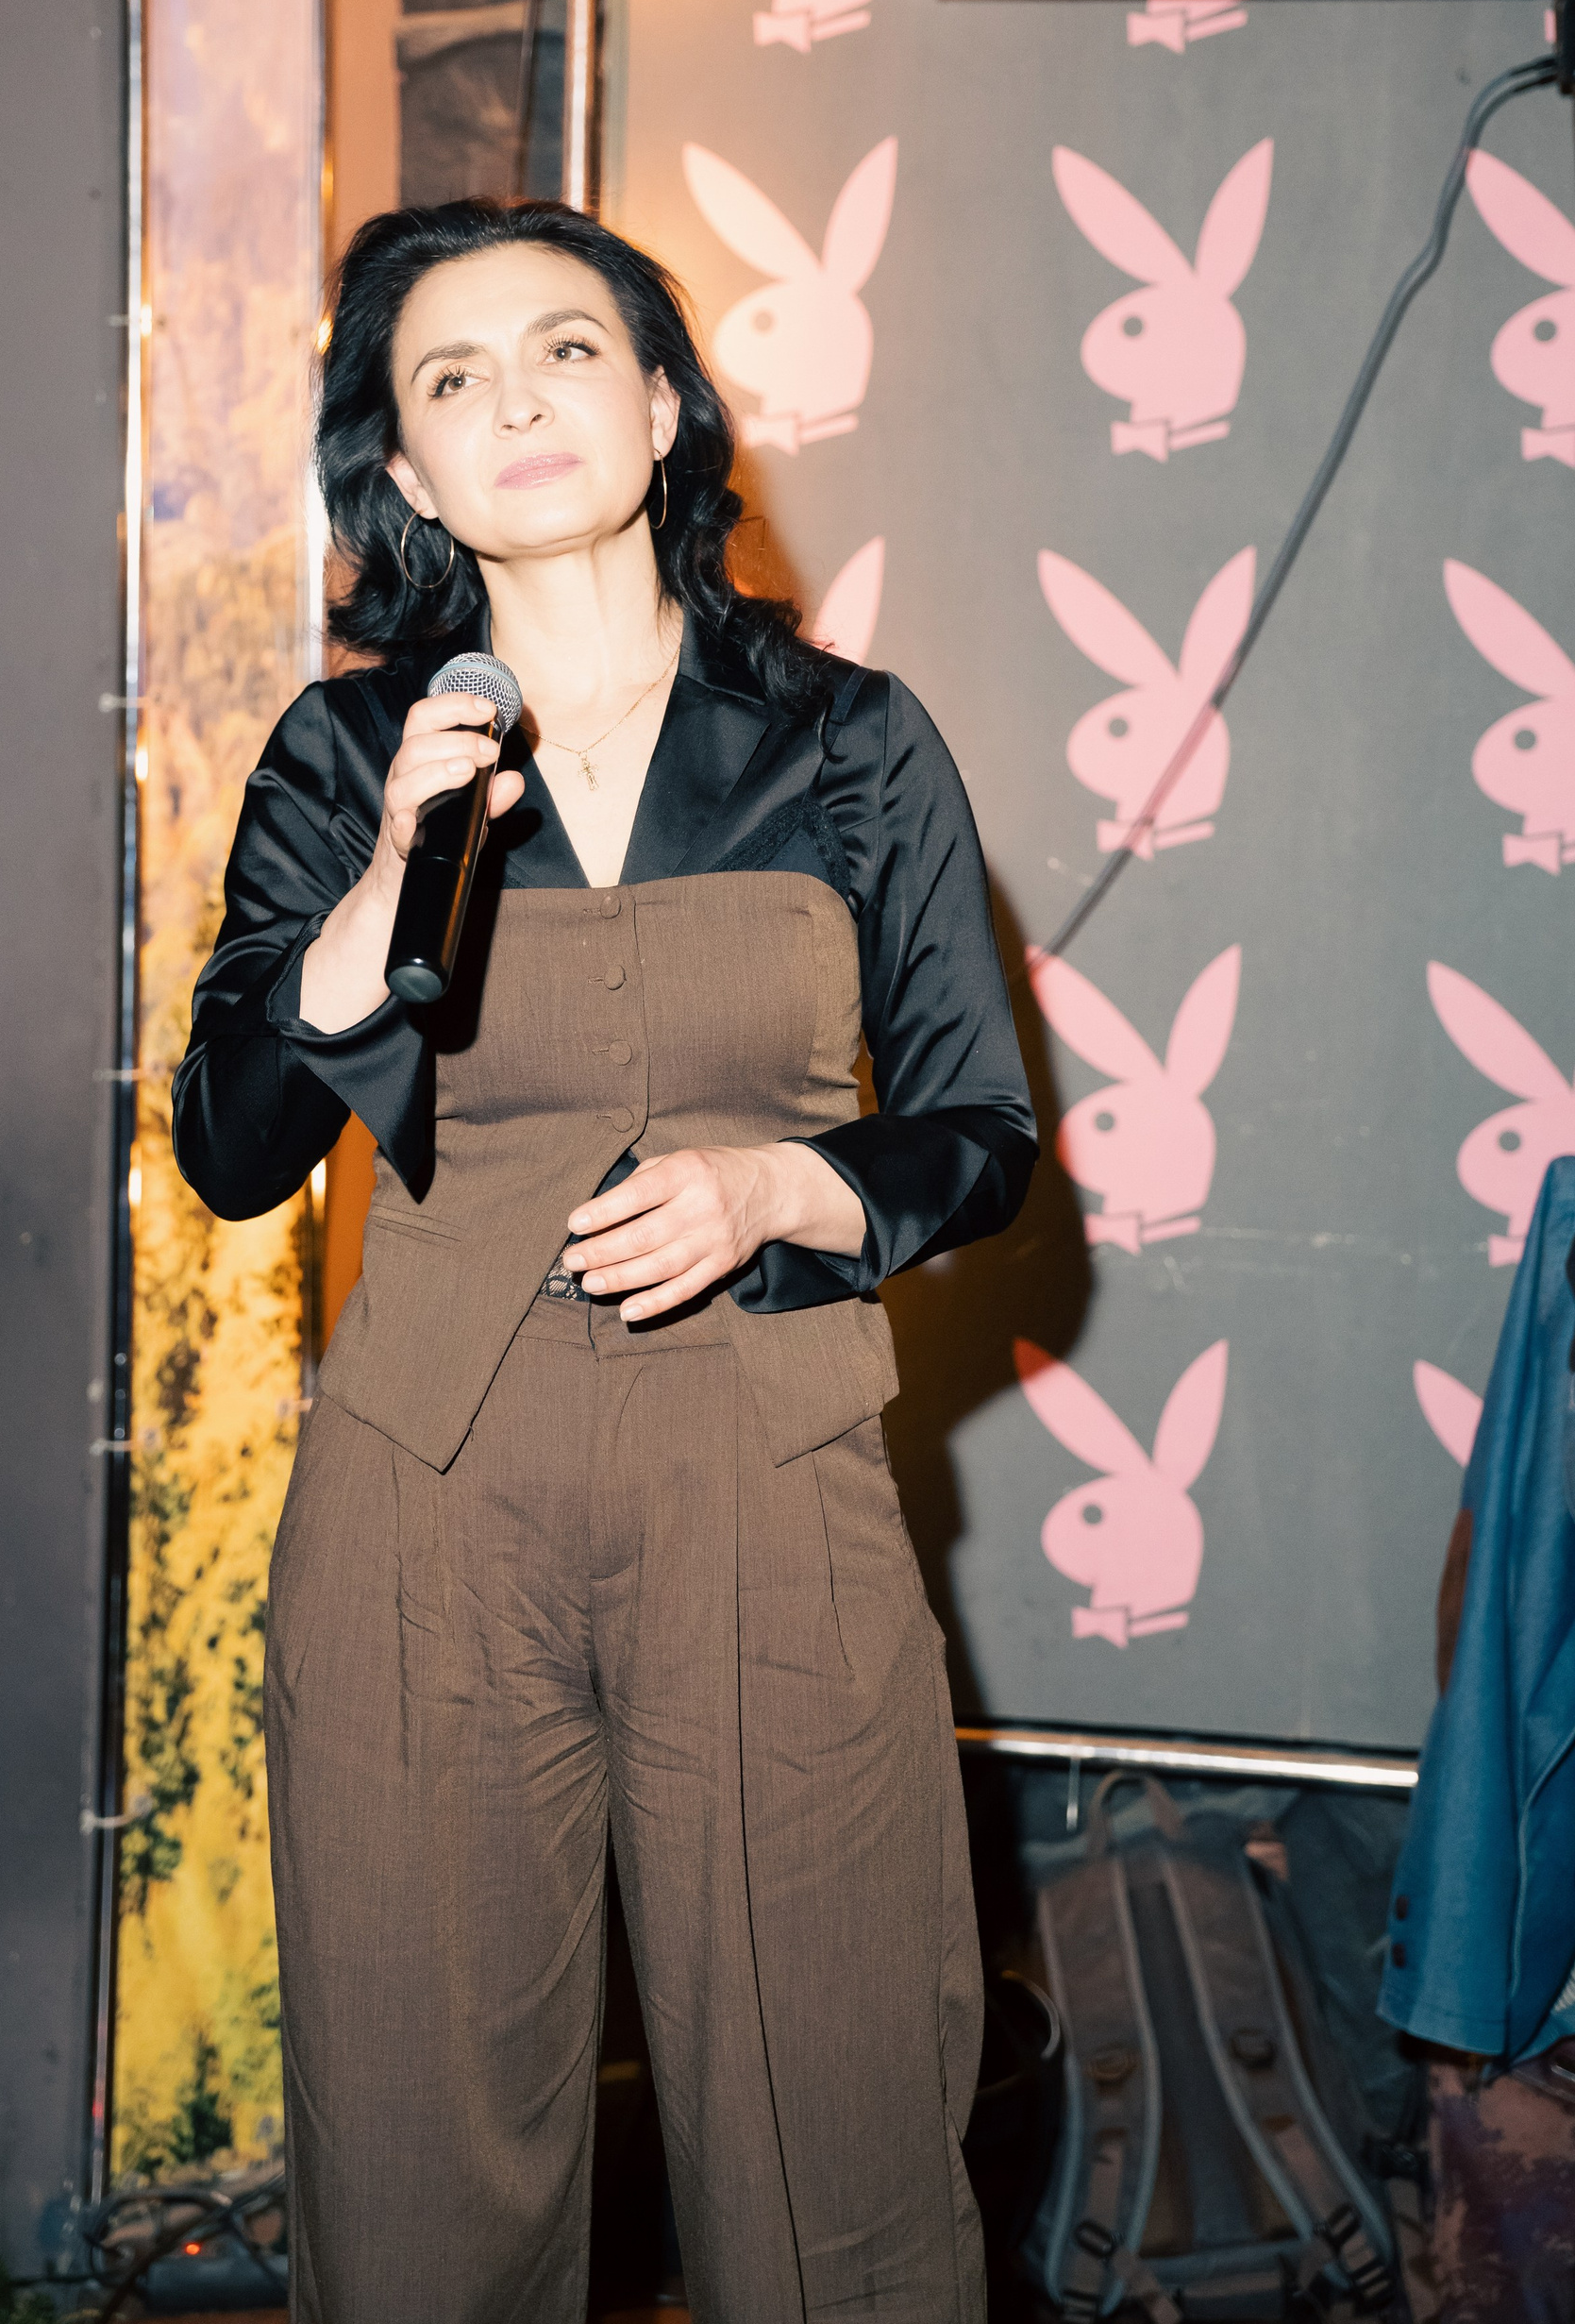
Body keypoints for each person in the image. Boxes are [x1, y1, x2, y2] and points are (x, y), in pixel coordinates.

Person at [172, 195, 1037, 2324]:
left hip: (769, 1476)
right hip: (423, 1502)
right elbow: (230, 1150)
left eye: (566, 349)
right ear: (407, 471)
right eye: (449, 378)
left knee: (830, 2132)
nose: (516, 401)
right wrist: (382, 881)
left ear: (660, 408)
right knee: (420, 2164)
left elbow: (980, 1133)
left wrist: (783, 1192)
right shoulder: (347, 755)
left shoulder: (850, 738)